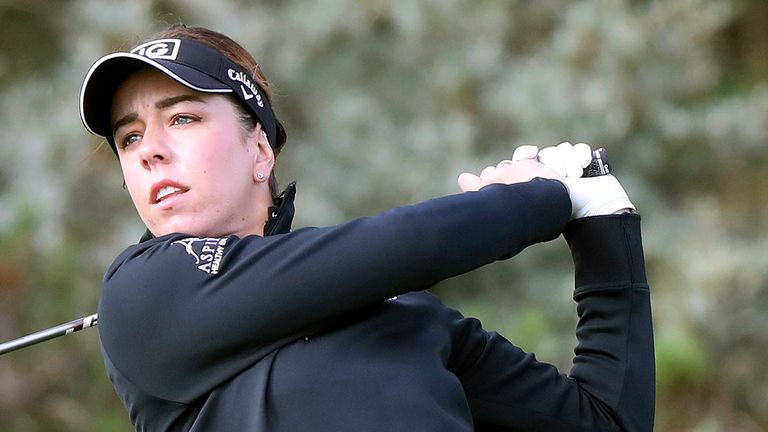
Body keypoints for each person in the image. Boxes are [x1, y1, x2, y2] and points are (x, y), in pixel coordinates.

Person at [79, 24, 655, 432]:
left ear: (260, 149)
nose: (149, 150)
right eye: (129, 137)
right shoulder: (140, 291)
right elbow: (405, 246)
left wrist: (603, 221)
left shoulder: (407, 313)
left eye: (182, 117)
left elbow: (606, 420)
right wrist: (536, 201)